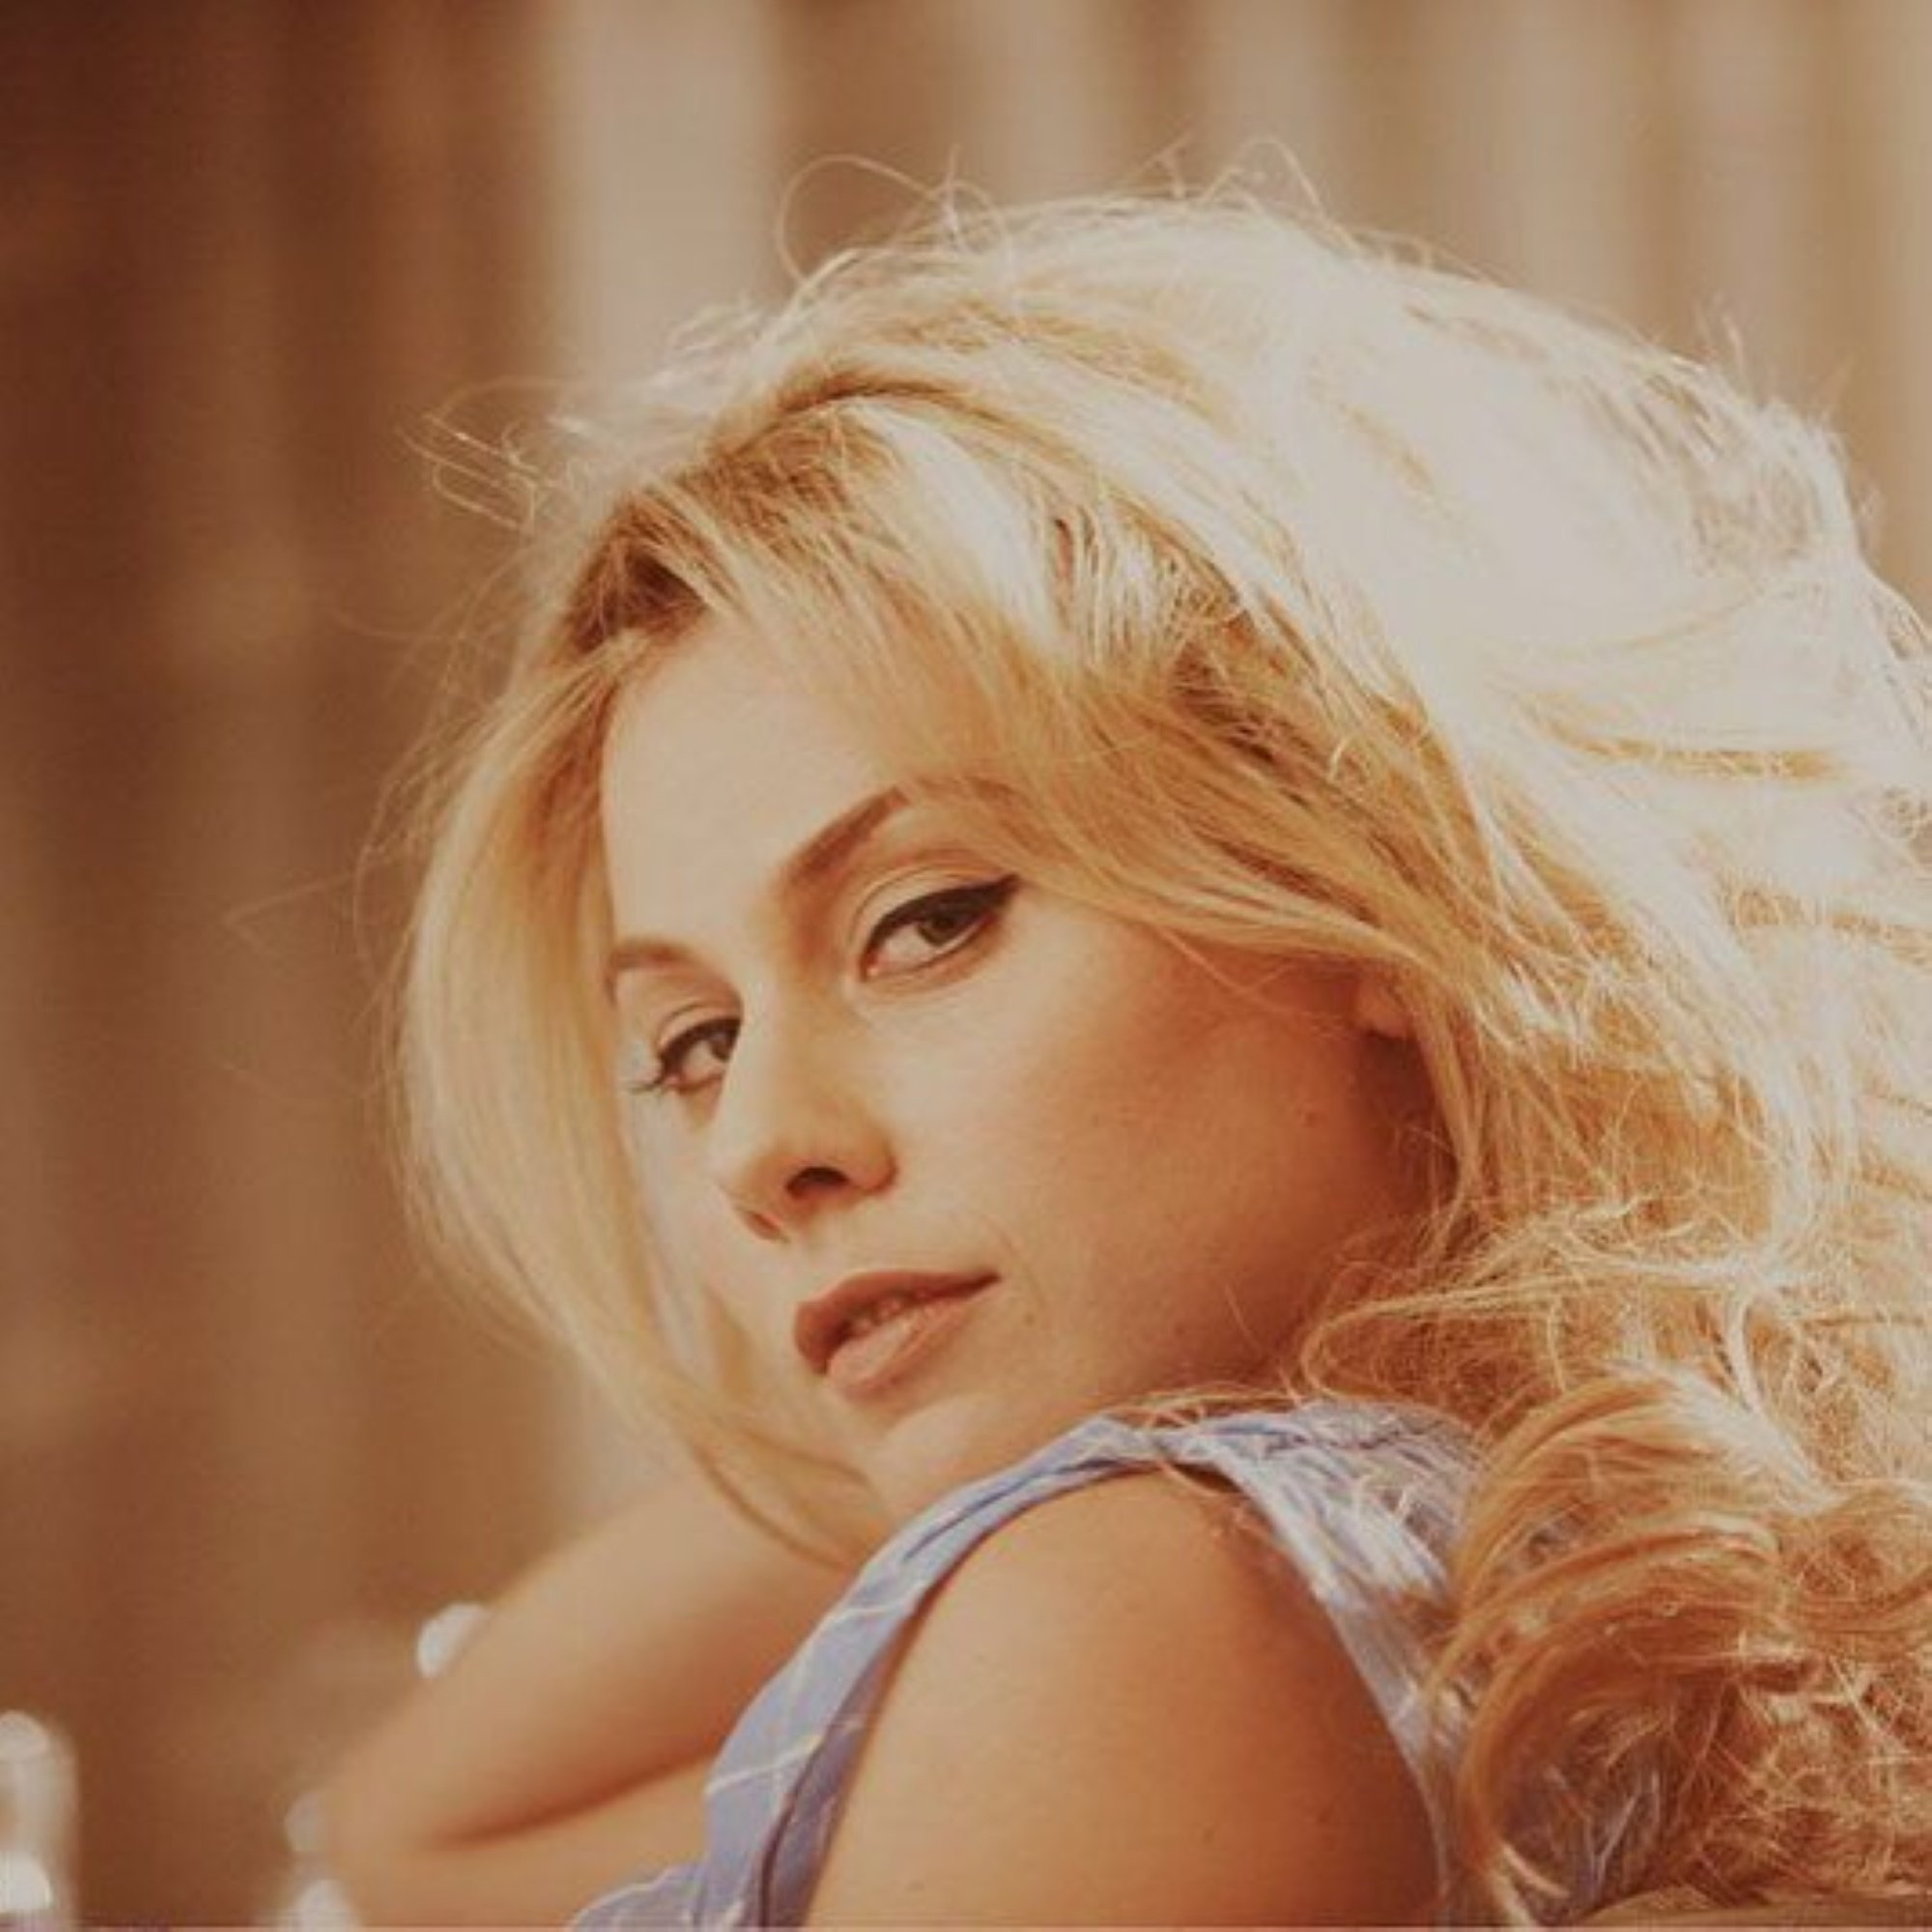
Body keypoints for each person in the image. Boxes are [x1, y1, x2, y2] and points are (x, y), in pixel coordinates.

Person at [321, 190, 1932, 1925]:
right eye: (696, 1042)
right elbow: (418, 1841)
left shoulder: (1147, 1593)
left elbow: (417, 1846)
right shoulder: (1574, 1598)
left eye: (926, 921)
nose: (755, 1153)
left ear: (1377, 878)